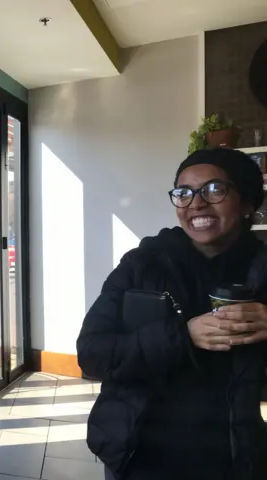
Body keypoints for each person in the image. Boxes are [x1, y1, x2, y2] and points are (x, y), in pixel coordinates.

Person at [78, 148, 267, 480]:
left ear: (248, 203)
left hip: (236, 458)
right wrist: (183, 336)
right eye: (184, 192)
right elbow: (92, 354)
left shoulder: (262, 272)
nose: (195, 203)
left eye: (214, 189)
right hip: (140, 455)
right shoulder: (142, 264)